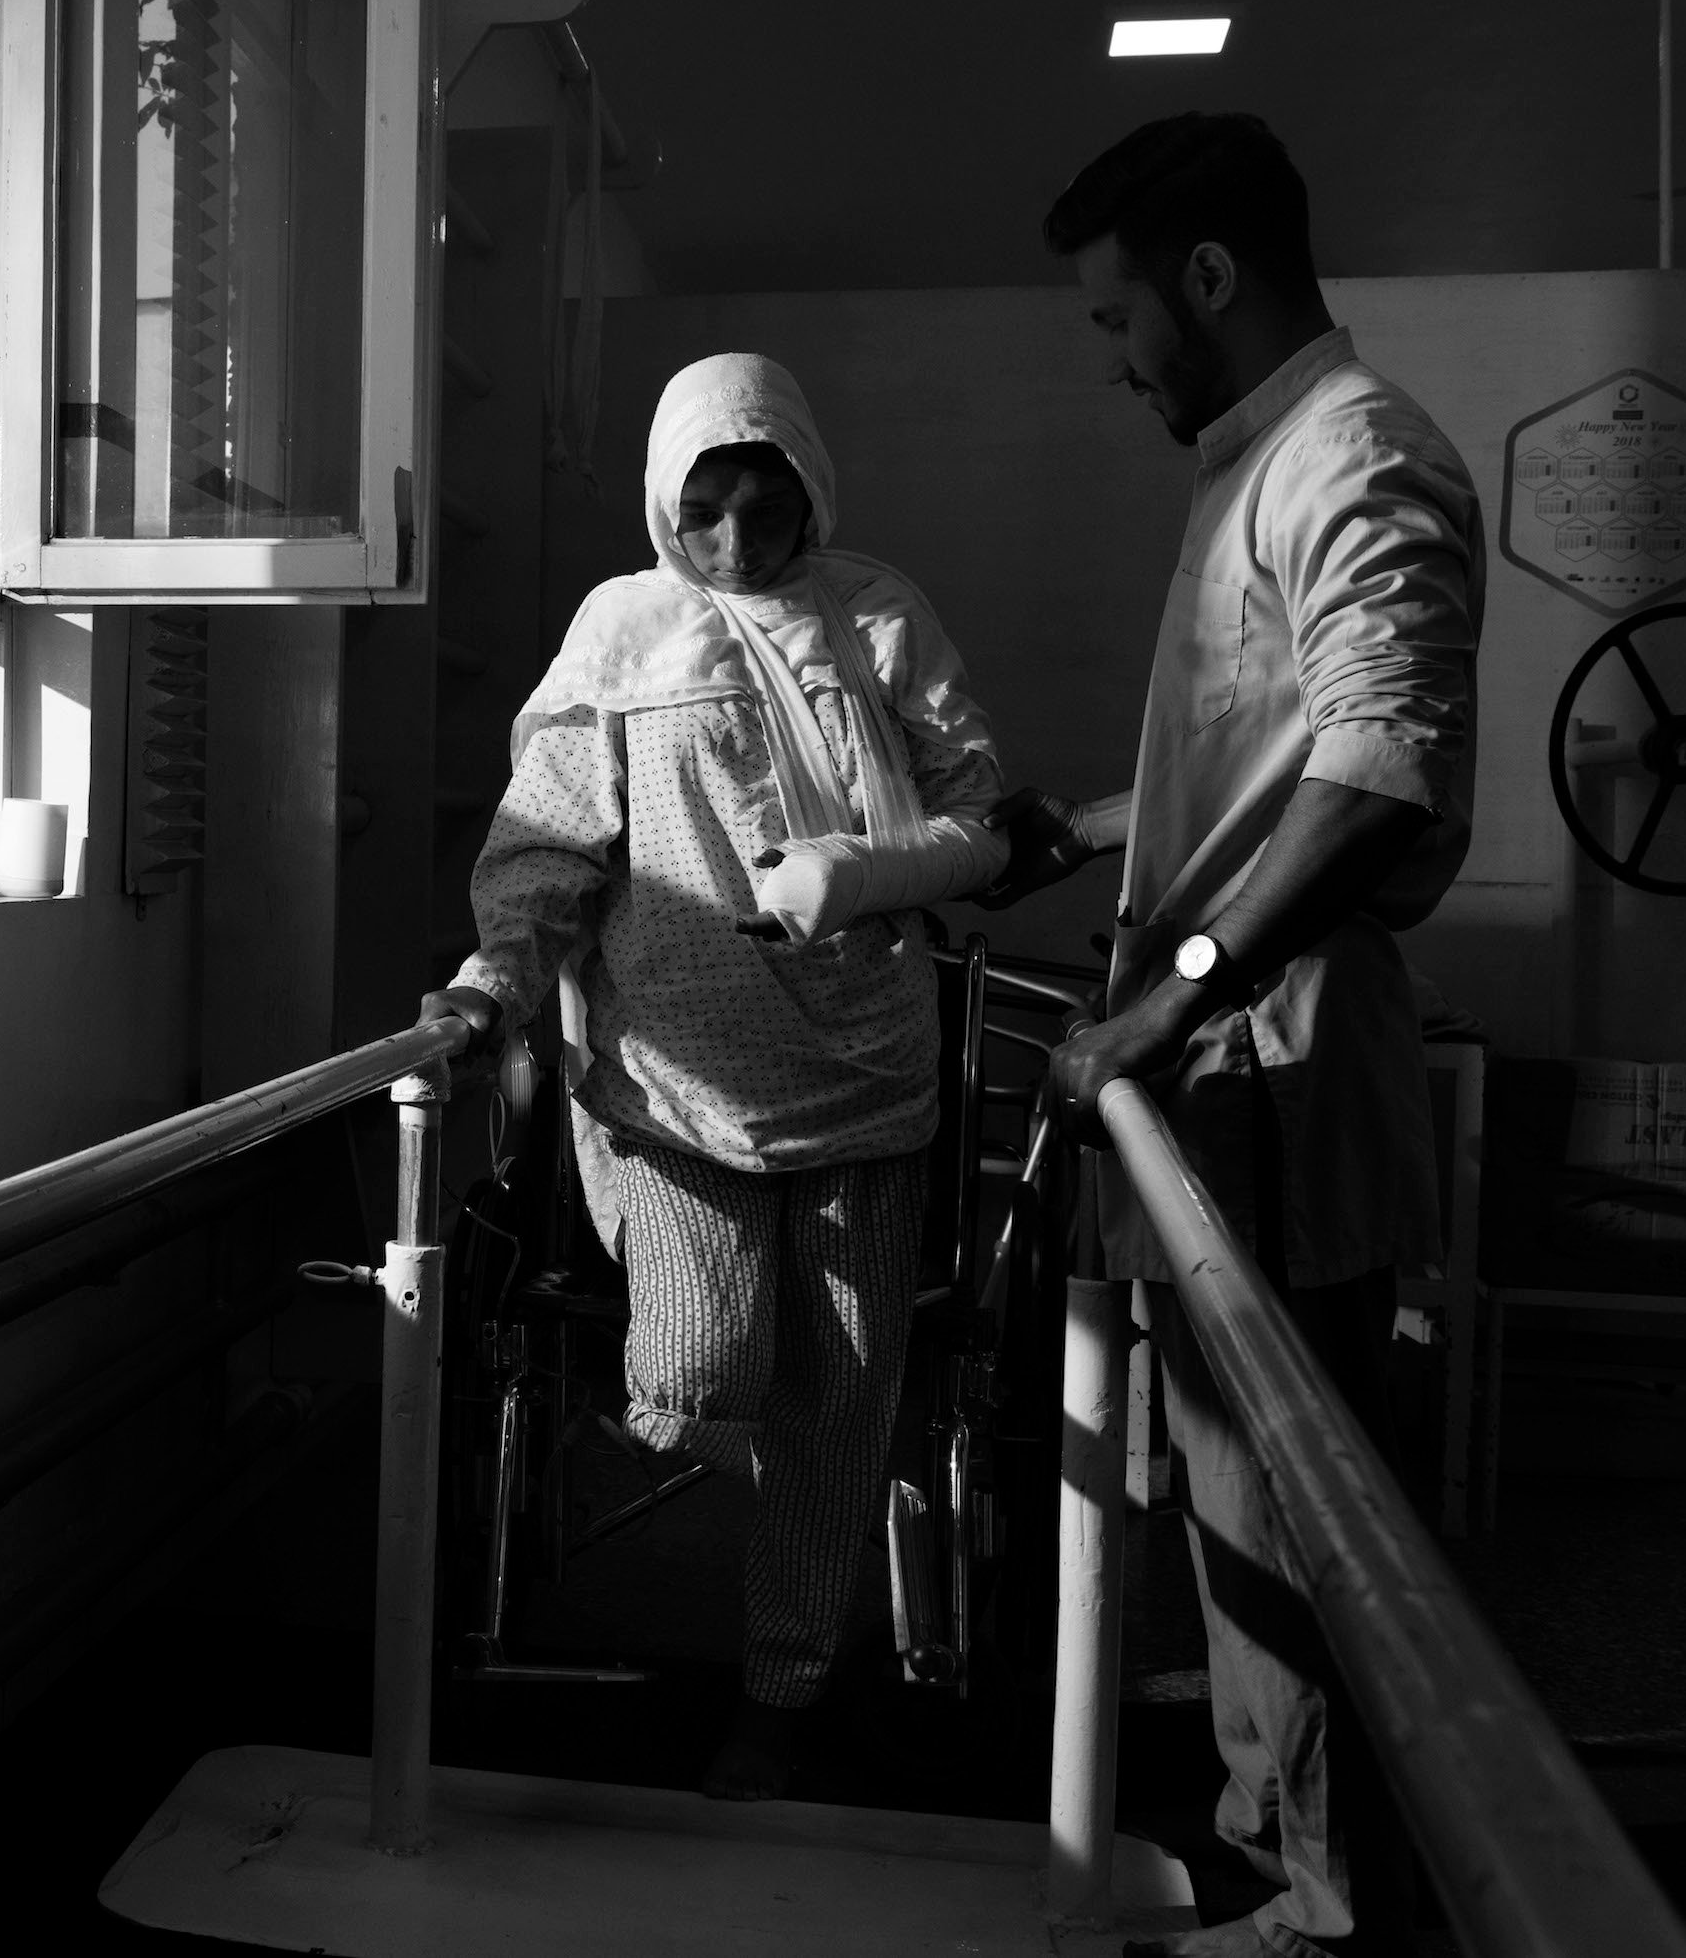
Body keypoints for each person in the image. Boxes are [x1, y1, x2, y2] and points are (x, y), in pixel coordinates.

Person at [985, 113, 1482, 1958]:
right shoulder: (1253, 465)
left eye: (1117, 317)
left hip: (1271, 1065)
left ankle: (1340, 1916)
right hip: (1229, 1072)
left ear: (1208, 276)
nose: (1112, 360)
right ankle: (1290, 1870)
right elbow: (1273, 762)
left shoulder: (1351, 452)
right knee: (1236, 1502)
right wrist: (1097, 830)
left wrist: (1156, 1011)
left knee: (1299, 1517)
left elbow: (1375, 771)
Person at [423, 353, 1008, 1799]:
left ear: (812, 487)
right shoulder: (625, 630)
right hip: (673, 1097)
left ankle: (784, 1691)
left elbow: (976, 812)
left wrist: (870, 865)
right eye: (707, 512)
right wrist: (495, 984)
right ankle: (686, 1569)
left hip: (867, 1084)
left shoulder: (877, 613)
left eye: (768, 506)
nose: (739, 545)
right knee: (696, 1378)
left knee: (839, 1415)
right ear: (661, 505)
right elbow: (550, 846)